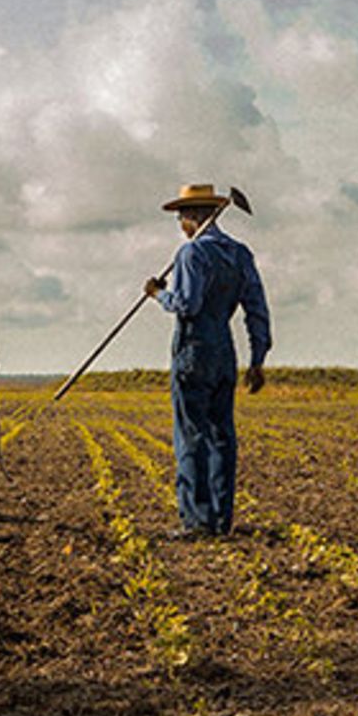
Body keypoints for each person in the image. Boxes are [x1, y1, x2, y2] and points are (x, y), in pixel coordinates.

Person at [144, 183, 271, 538]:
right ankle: (220, 520)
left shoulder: (191, 253)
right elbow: (256, 308)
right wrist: (257, 359)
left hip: (193, 350)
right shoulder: (240, 253)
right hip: (225, 353)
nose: (180, 223)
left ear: (193, 217)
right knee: (221, 436)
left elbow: (187, 305)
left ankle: (196, 521)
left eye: (182, 216)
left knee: (191, 435)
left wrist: (158, 294)